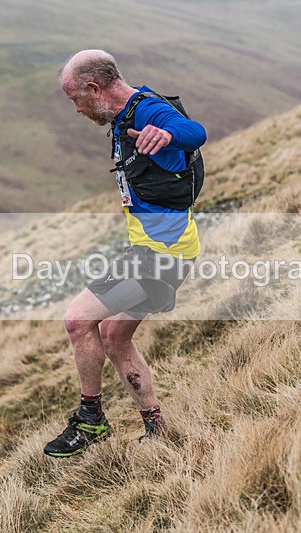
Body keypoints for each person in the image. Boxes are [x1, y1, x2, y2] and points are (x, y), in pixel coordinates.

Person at [43, 49, 206, 458]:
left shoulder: (150, 113)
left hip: (160, 256)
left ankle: (90, 420)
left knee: (78, 321)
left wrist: (170, 136)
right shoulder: (124, 116)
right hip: (164, 251)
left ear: (94, 89)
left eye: (75, 99)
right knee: (115, 336)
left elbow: (194, 131)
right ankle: (156, 426)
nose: (76, 109)